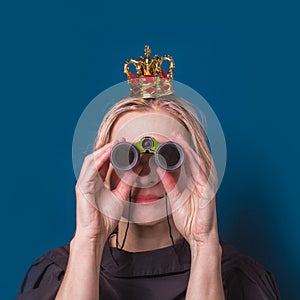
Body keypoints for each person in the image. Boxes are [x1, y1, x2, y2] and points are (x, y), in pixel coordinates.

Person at [17, 47, 281, 300]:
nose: (146, 176)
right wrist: (89, 240)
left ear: (196, 170)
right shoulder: (56, 273)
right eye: (126, 157)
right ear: (101, 167)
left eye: (168, 157)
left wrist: (204, 245)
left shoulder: (241, 279)